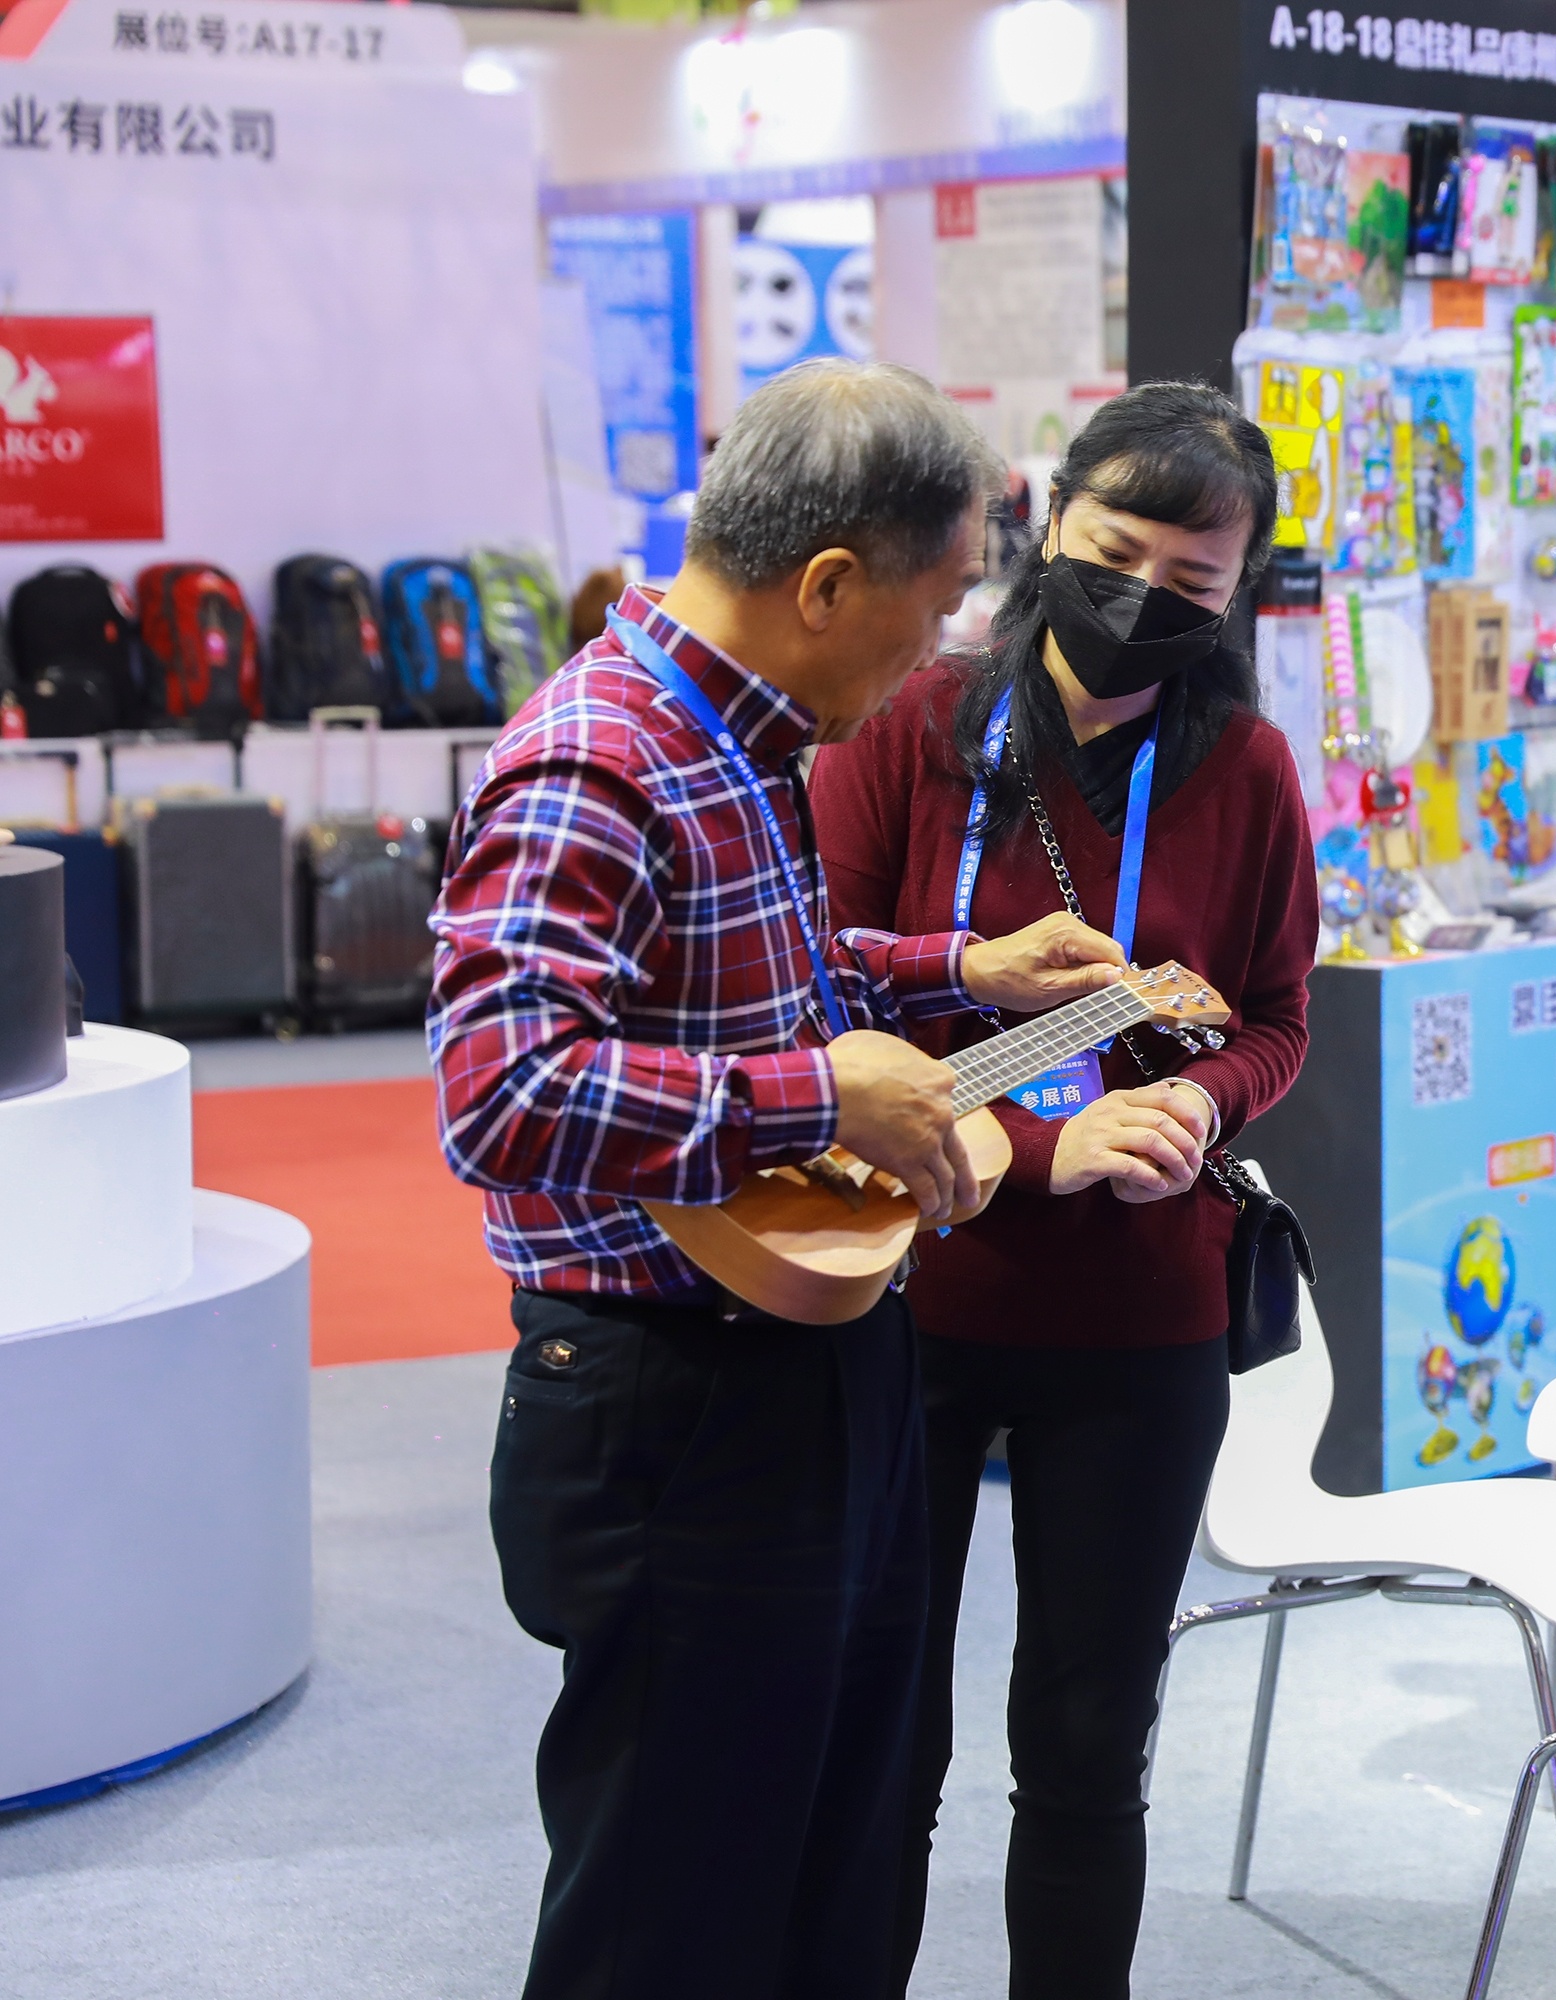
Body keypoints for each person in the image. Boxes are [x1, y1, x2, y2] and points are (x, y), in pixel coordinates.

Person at [429, 359, 1129, 2000]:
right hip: (676, 1402)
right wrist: (818, 1092)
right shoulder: (599, 758)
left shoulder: (737, 741)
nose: (942, 651)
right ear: (826, 585)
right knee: (674, 1917)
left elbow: (751, 979)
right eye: (938, 607)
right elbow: (501, 1090)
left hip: (810, 1366)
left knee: (836, 1870)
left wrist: (958, 971)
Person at [809, 380, 1318, 1999]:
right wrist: (1042, 1147)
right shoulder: (910, 726)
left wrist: (1193, 1097)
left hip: (1136, 1318)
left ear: (1236, 594)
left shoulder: (1246, 767)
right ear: (1049, 525)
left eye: (1191, 578)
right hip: (903, 1289)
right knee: (878, 1737)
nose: (1140, 597)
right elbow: (821, 991)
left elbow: (1276, 1017)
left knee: (1089, 1748)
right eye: (1115, 551)